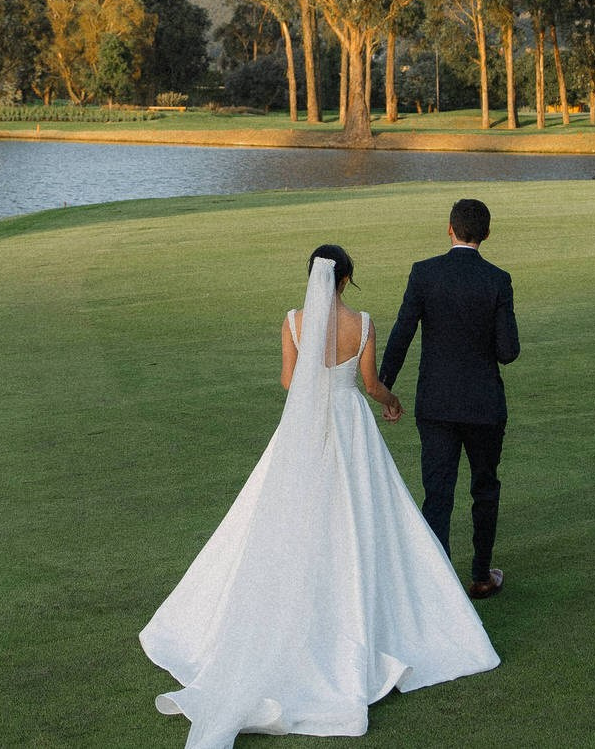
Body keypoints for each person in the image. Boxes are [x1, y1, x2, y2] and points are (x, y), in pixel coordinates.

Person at [140, 245, 498, 748]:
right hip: (351, 425)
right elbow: (371, 383)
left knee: (286, 513)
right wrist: (391, 403)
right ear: (346, 278)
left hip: (303, 428)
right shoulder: (364, 323)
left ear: (312, 276)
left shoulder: (292, 321)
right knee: (361, 514)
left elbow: (291, 381)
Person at [375, 197, 520, 600]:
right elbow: (508, 351)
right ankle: (480, 576)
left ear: (449, 228)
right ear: (487, 234)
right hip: (484, 405)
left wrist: (386, 388)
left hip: (436, 404)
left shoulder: (424, 274)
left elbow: (402, 333)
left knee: (438, 492)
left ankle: (437, 586)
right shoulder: (498, 280)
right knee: (484, 487)